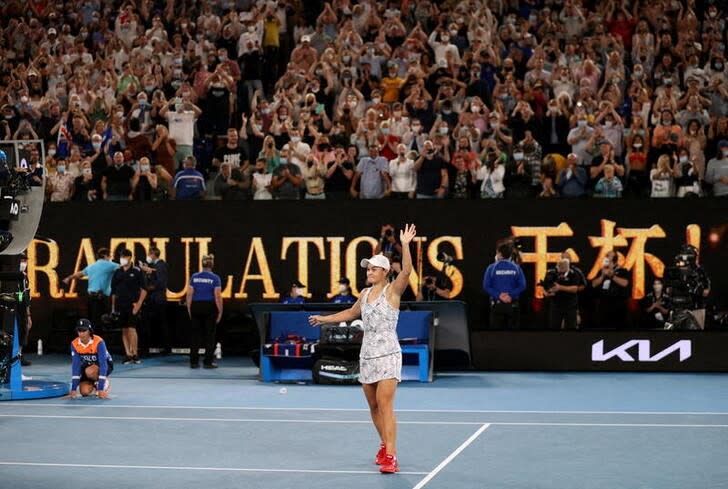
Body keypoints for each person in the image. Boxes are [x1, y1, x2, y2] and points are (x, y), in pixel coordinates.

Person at [309, 224, 417, 475]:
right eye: (368, 268)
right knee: (373, 406)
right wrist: (324, 319)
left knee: (385, 404)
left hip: (389, 354)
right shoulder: (365, 293)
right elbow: (351, 312)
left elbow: (408, 271)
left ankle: (391, 455)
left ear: (385, 272)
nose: (369, 271)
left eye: (374, 268)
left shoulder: (393, 291)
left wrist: (406, 245)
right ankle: (383, 444)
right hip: (367, 355)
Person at [63, 248, 119, 335]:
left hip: (91, 299)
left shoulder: (91, 266)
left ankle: (93, 343)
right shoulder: (110, 265)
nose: (110, 258)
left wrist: (69, 278)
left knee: (92, 323)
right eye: (109, 256)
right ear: (105, 256)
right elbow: (124, 268)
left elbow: (79, 274)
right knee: (102, 323)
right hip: (102, 299)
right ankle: (99, 344)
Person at [111, 249, 147, 364]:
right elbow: (113, 291)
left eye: (125, 256)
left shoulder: (137, 271)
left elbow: (144, 289)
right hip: (121, 304)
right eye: (121, 256)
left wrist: (139, 303)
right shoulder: (117, 272)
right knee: (124, 329)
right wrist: (112, 308)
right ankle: (128, 354)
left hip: (133, 305)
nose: (123, 259)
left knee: (132, 328)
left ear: (130, 257)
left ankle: (135, 353)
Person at [186, 254, 222, 369]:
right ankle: (207, 362)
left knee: (195, 336)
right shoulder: (215, 278)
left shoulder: (194, 277)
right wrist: (220, 311)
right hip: (209, 306)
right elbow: (217, 297)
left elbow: (189, 294)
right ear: (212, 265)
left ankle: (194, 362)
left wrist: (189, 308)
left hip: (196, 306)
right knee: (209, 335)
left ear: (202, 264)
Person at [483, 243, 527, 328]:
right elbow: (522, 286)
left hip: (497, 306)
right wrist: (510, 295)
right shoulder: (517, 268)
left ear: (499, 254)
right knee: (513, 337)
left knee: (496, 337)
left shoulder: (491, 268)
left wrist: (499, 296)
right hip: (513, 305)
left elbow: (486, 286)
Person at [69, 319, 113, 399]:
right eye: (79, 330)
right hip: (87, 366)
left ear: (89, 331)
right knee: (84, 392)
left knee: (90, 371)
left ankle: (104, 383)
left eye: (84, 330)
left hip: (104, 365)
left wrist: (100, 389)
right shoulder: (74, 344)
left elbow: (103, 364)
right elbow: (76, 366)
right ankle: (94, 384)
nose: (81, 333)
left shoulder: (98, 342)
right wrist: (73, 390)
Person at [139, 247, 169, 354]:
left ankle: (165, 348)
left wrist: (148, 288)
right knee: (153, 324)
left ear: (152, 254)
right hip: (153, 299)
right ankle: (150, 348)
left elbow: (160, 283)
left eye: (148, 254)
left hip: (158, 299)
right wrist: (148, 271)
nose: (148, 256)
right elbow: (154, 277)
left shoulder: (161, 265)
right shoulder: (156, 266)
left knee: (160, 324)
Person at [543, 257, 586, 329]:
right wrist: (547, 293)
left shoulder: (574, 273)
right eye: (560, 272)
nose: (561, 275)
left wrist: (560, 287)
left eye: (563, 272)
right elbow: (545, 286)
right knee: (554, 327)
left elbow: (575, 289)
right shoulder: (551, 272)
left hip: (570, 306)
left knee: (571, 327)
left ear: (568, 268)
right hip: (556, 306)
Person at [591, 250, 630, 329]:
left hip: (618, 306)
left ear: (614, 259)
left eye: (609, 255)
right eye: (606, 255)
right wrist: (602, 276)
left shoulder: (622, 270)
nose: (607, 257)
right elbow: (593, 284)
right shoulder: (602, 271)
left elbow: (625, 283)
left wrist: (612, 276)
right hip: (603, 305)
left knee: (618, 329)